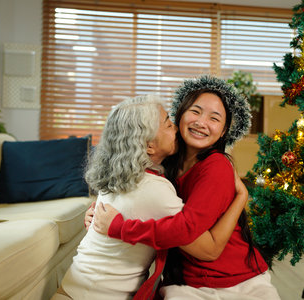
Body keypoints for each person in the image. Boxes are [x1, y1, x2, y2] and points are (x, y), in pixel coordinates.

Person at [93, 75, 281, 300]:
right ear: (179, 114)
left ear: (223, 132)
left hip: (231, 280)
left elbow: (189, 231)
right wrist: (102, 209)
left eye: (214, 118)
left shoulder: (216, 166)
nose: (202, 122)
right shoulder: (168, 159)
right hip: (187, 279)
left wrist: (119, 227)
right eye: (196, 111)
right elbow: (137, 191)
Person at [52, 94, 248, 300]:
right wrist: (242, 195)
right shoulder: (155, 189)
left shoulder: (119, 176)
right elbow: (210, 249)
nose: (175, 127)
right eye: (168, 123)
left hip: (73, 288)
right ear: (149, 146)